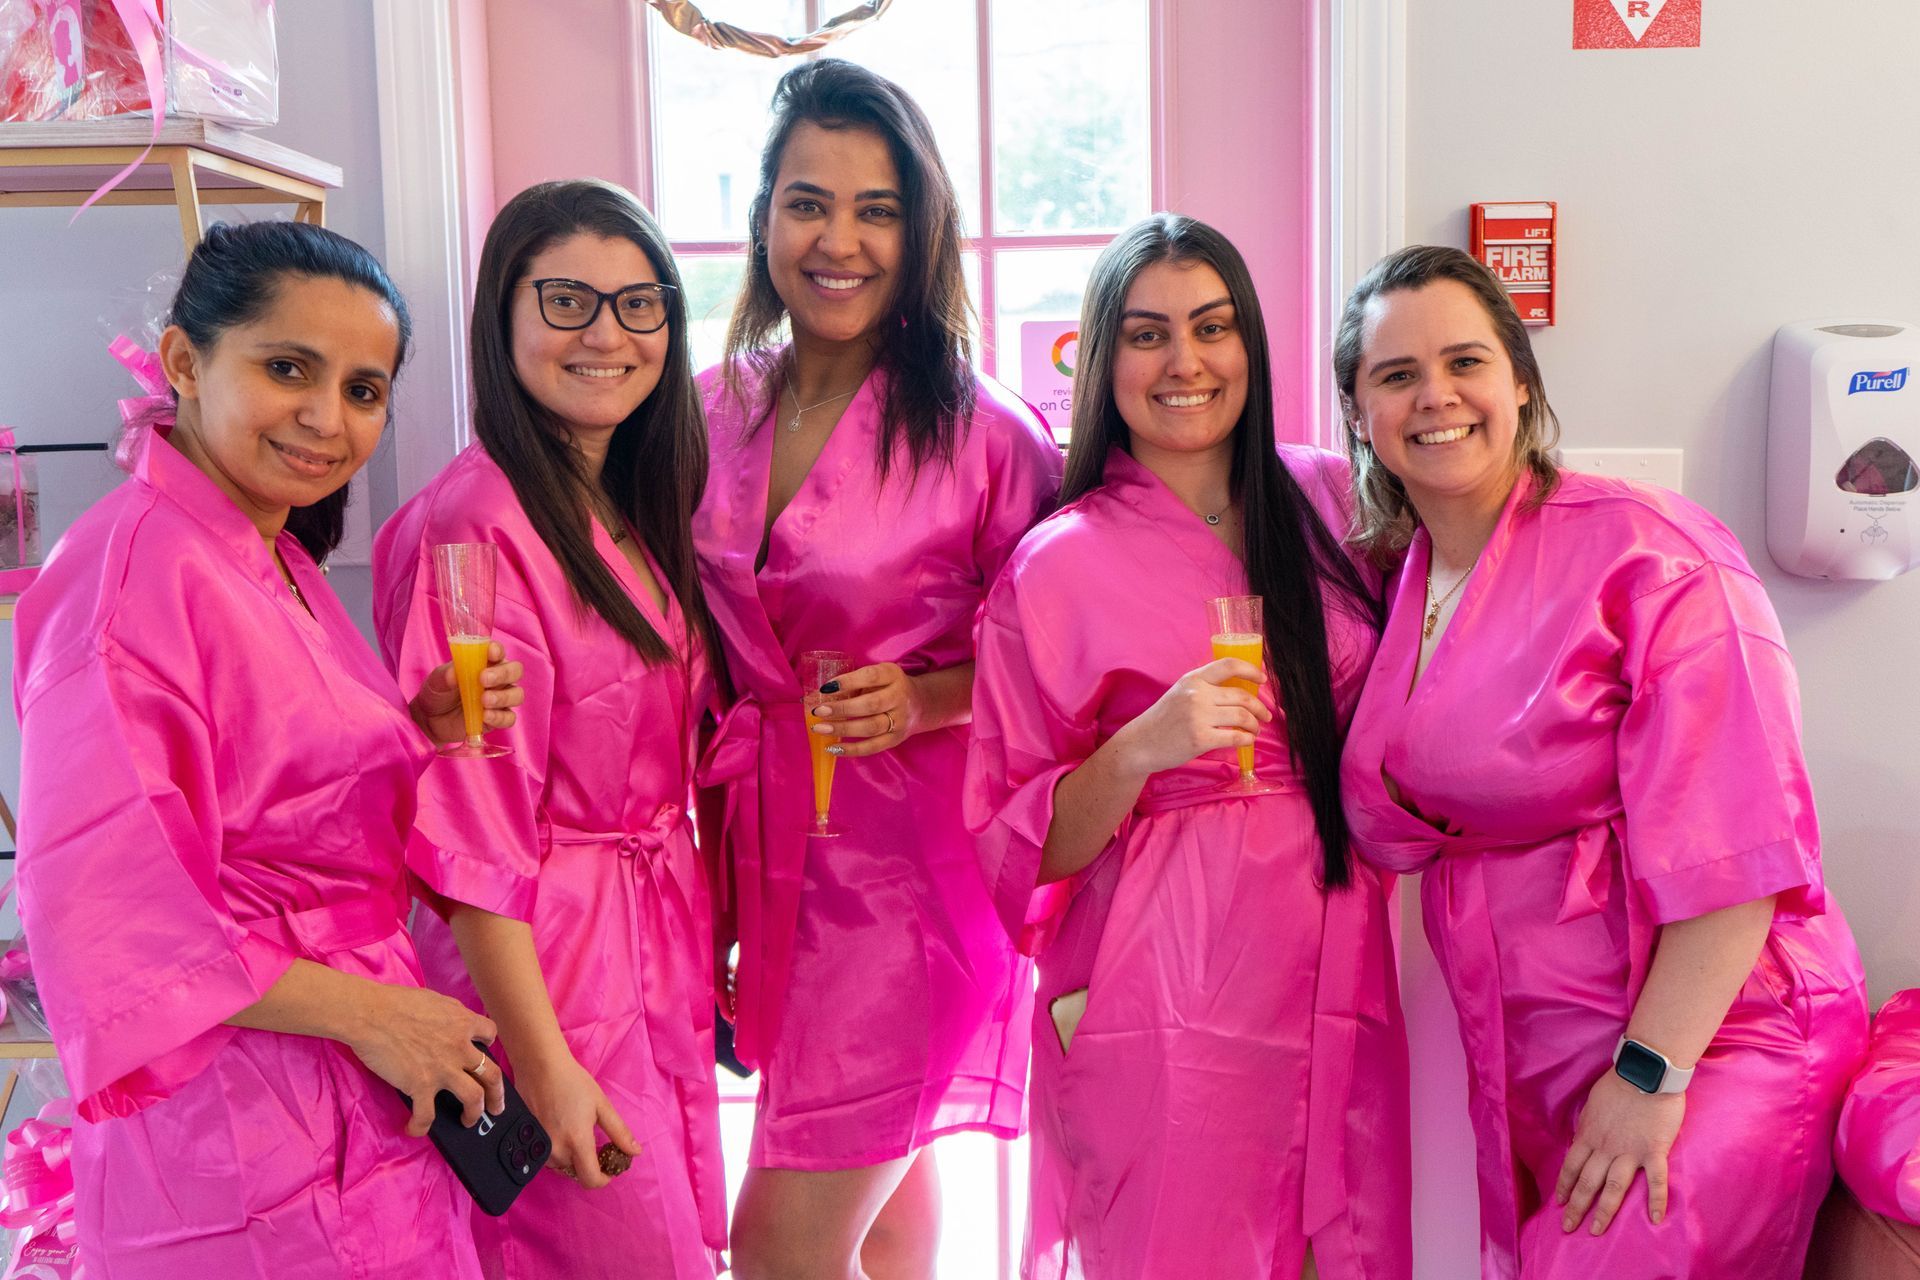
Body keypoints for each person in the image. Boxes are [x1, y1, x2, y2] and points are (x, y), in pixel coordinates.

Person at [1335, 245, 1870, 1278]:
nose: (1435, 396)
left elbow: (1744, 846)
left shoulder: (1652, 551)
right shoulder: (1406, 580)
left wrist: (1651, 1072)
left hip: (1714, 1035)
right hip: (1545, 1052)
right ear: (1359, 414)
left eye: (1465, 361)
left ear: (1519, 383)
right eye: (1396, 375)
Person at [13, 219, 525, 1277]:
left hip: (353, 1088)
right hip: (239, 1121)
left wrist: (410, 731)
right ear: (184, 360)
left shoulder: (265, 549)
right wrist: (378, 1015)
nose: (326, 418)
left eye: (362, 389)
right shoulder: (126, 580)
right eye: (288, 368)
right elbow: (115, 914)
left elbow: (278, 795)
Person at [965, 213, 1411, 1280]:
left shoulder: (1335, 502)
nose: (1186, 362)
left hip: (1346, 945)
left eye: (1213, 327)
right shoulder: (1055, 565)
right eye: (1147, 333)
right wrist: (1138, 750)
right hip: (1165, 981)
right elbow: (1020, 846)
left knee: (1346, 1245)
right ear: (1102, 356)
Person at [693, 59, 1063, 1280]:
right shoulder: (707, 408)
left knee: (778, 1247)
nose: (838, 240)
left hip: (913, 885)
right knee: (891, 1209)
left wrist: (926, 694)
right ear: (765, 215)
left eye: (877, 210)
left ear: (921, 231)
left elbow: (1059, 659)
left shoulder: (987, 432)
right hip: (764, 858)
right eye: (808, 202)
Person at [373, 179, 727, 1278]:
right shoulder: (475, 528)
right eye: (568, 301)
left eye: (638, 304)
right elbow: (466, 833)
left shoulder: (622, 500)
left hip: (640, 939)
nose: (607, 335)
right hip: (547, 965)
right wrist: (544, 1060)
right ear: (504, 314)